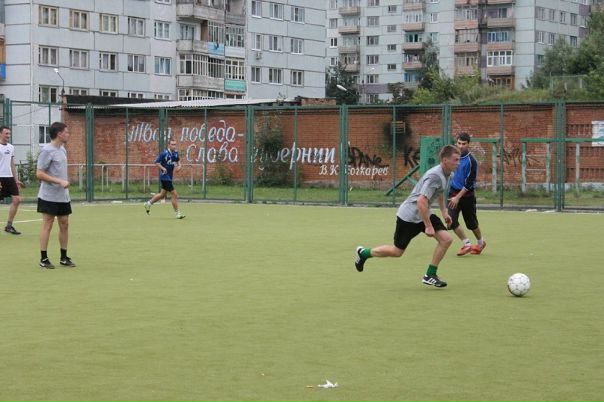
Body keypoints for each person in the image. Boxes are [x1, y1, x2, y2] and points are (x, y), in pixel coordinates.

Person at [354, 145, 461, 288]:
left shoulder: (448, 174)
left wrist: (444, 212)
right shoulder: (435, 176)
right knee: (397, 252)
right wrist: (428, 226)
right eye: (455, 160)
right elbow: (421, 201)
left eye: (459, 160)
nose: (458, 163)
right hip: (409, 216)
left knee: (446, 240)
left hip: (424, 213)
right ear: (445, 160)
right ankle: (364, 253)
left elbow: (440, 192)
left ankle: (430, 275)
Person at [36, 122, 76, 269]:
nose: (68, 134)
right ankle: (44, 258)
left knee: (64, 223)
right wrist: (59, 181)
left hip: (63, 196)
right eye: (66, 132)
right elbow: (39, 173)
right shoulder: (47, 151)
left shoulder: (62, 149)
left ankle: (64, 257)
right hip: (48, 196)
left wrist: (63, 182)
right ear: (59, 134)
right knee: (48, 224)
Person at [447, 132, 486, 256]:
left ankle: (481, 243)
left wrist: (458, 197)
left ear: (468, 144)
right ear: (456, 143)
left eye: (464, 144)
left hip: (467, 196)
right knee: (451, 221)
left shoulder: (471, 161)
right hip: (453, 193)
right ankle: (467, 244)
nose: (461, 146)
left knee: (472, 224)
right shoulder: (452, 157)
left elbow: (469, 183)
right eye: (459, 143)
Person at [144, 139, 185, 219]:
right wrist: (163, 168)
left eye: (175, 144)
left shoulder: (175, 153)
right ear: (169, 145)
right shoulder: (164, 153)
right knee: (174, 194)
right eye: (172, 144)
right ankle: (178, 213)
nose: (174, 146)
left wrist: (179, 166)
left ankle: (148, 204)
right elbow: (156, 162)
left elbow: (179, 162)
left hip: (169, 177)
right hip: (164, 177)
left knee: (162, 195)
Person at [0, 125, 23, 235]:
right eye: (6, 133)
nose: (8, 135)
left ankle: (9, 226)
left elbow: (12, 164)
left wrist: (16, 180)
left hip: (9, 177)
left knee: (17, 200)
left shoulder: (11, 147)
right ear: (0, 134)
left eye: (9, 133)